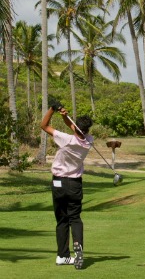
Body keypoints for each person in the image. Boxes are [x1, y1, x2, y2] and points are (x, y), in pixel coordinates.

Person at [40, 104, 93, 270]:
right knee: (75, 218)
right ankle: (77, 245)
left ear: (76, 127)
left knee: (61, 220)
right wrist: (64, 115)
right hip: (74, 184)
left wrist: (52, 109)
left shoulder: (66, 139)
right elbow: (74, 128)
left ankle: (62, 256)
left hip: (58, 183)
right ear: (87, 130)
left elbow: (44, 126)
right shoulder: (89, 141)